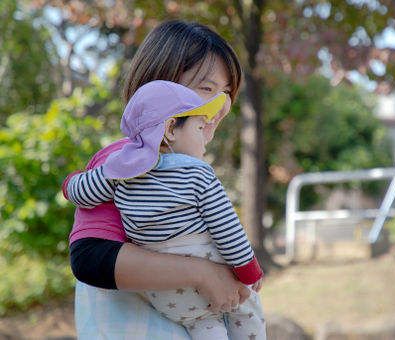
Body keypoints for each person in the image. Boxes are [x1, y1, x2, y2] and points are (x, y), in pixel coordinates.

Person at [66, 20, 255, 339]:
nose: (220, 108)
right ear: (157, 86)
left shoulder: (184, 168)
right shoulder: (126, 160)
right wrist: (203, 273)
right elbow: (89, 257)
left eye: (226, 93)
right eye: (206, 89)